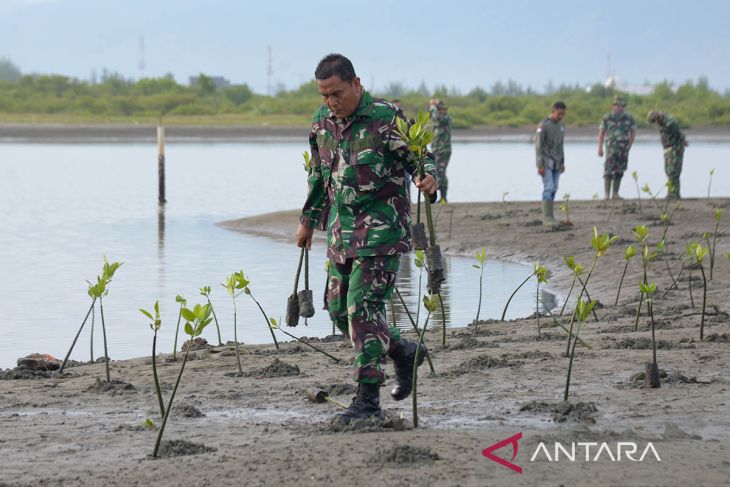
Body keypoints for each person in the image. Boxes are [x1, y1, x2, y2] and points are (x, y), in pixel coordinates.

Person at [296, 54, 438, 425]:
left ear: (356, 83)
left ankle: (368, 399)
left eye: (337, 93)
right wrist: (308, 222)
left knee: (362, 308)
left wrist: (430, 179)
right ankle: (403, 350)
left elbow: (421, 159)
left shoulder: (386, 118)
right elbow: (318, 177)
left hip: (381, 231)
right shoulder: (321, 123)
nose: (331, 101)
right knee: (339, 310)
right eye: (325, 95)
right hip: (341, 233)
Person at [598, 94, 636, 200]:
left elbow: (633, 132)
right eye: (617, 105)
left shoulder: (629, 117)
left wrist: (630, 145)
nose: (619, 107)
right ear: (613, 105)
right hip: (611, 147)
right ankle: (606, 194)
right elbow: (601, 132)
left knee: (620, 170)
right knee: (608, 170)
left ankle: (615, 193)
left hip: (623, 148)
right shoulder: (607, 117)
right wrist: (600, 148)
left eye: (621, 105)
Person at [535, 101, 567, 226]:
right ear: (553, 111)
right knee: (548, 187)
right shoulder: (544, 125)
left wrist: (563, 162)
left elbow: (561, 145)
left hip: (557, 162)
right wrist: (540, 165)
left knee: (554, 188)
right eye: (559, 114)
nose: (561, 116)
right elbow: (538, 146)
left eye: (563, 114)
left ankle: (551, 217)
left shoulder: (561, 125)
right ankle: (547, 218)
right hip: (546, 161)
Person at [647, 110, 688, 199]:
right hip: (667, 149)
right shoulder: (661, 123)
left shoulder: (670, 122)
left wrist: (682, 144)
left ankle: (674, 193)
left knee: (673, 171)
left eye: (656, 120)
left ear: (659, 117)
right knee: (668, 171)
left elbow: (679, 135)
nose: (656, 123)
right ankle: (672, 193)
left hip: (675, 148)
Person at [429, 100, 452, 203]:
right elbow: (431, 115)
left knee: (441, 172)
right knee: (436, 172)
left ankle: (443, 197)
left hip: (444, 150)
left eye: (442, 109)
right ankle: (440, 197)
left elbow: (437, 117)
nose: (440, 111)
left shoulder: (446, 118)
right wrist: (432, 106)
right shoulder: (437, 120)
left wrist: (433, 107)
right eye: (439, 109)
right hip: (436, 150)